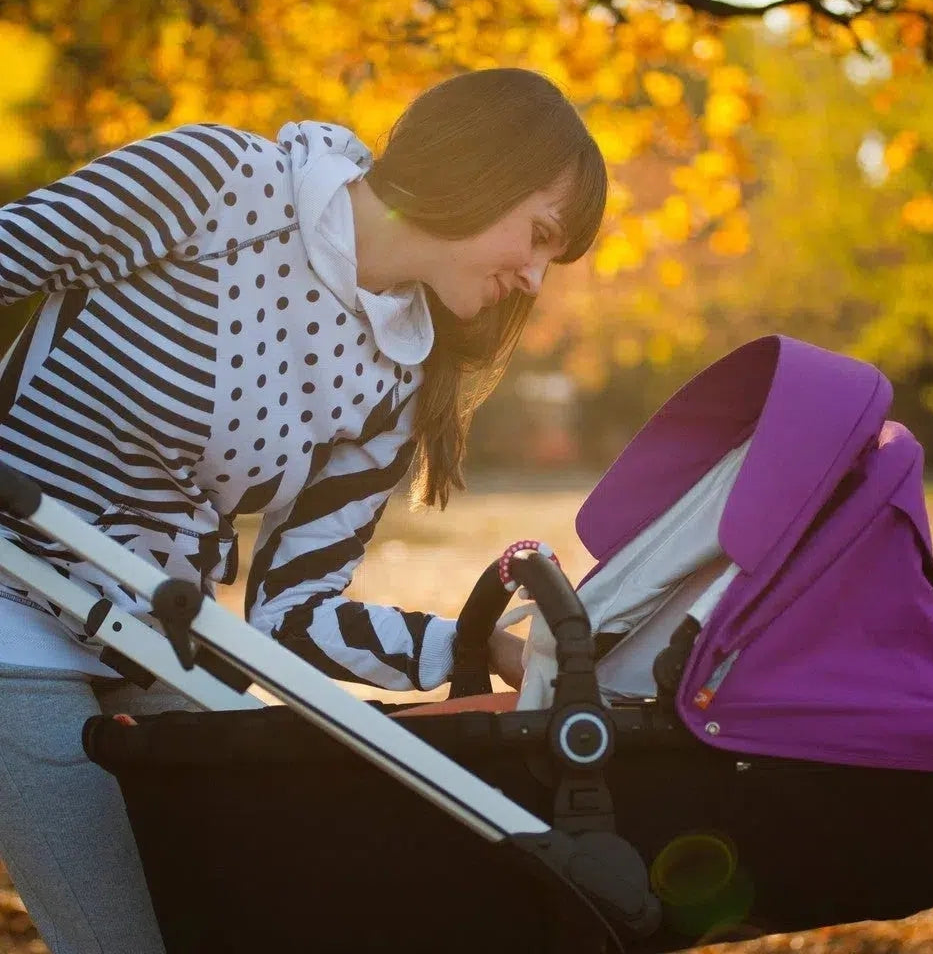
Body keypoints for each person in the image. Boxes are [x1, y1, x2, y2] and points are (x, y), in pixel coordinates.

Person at [0, 67, 608, 952]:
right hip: (14, 604)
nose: (536, 280)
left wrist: (483, 646)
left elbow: (293, 616)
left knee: (240, 923)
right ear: (481, 171)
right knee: (126, 938)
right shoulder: (218, 183)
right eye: (540, 235)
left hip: (156, 642)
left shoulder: (399, 376)